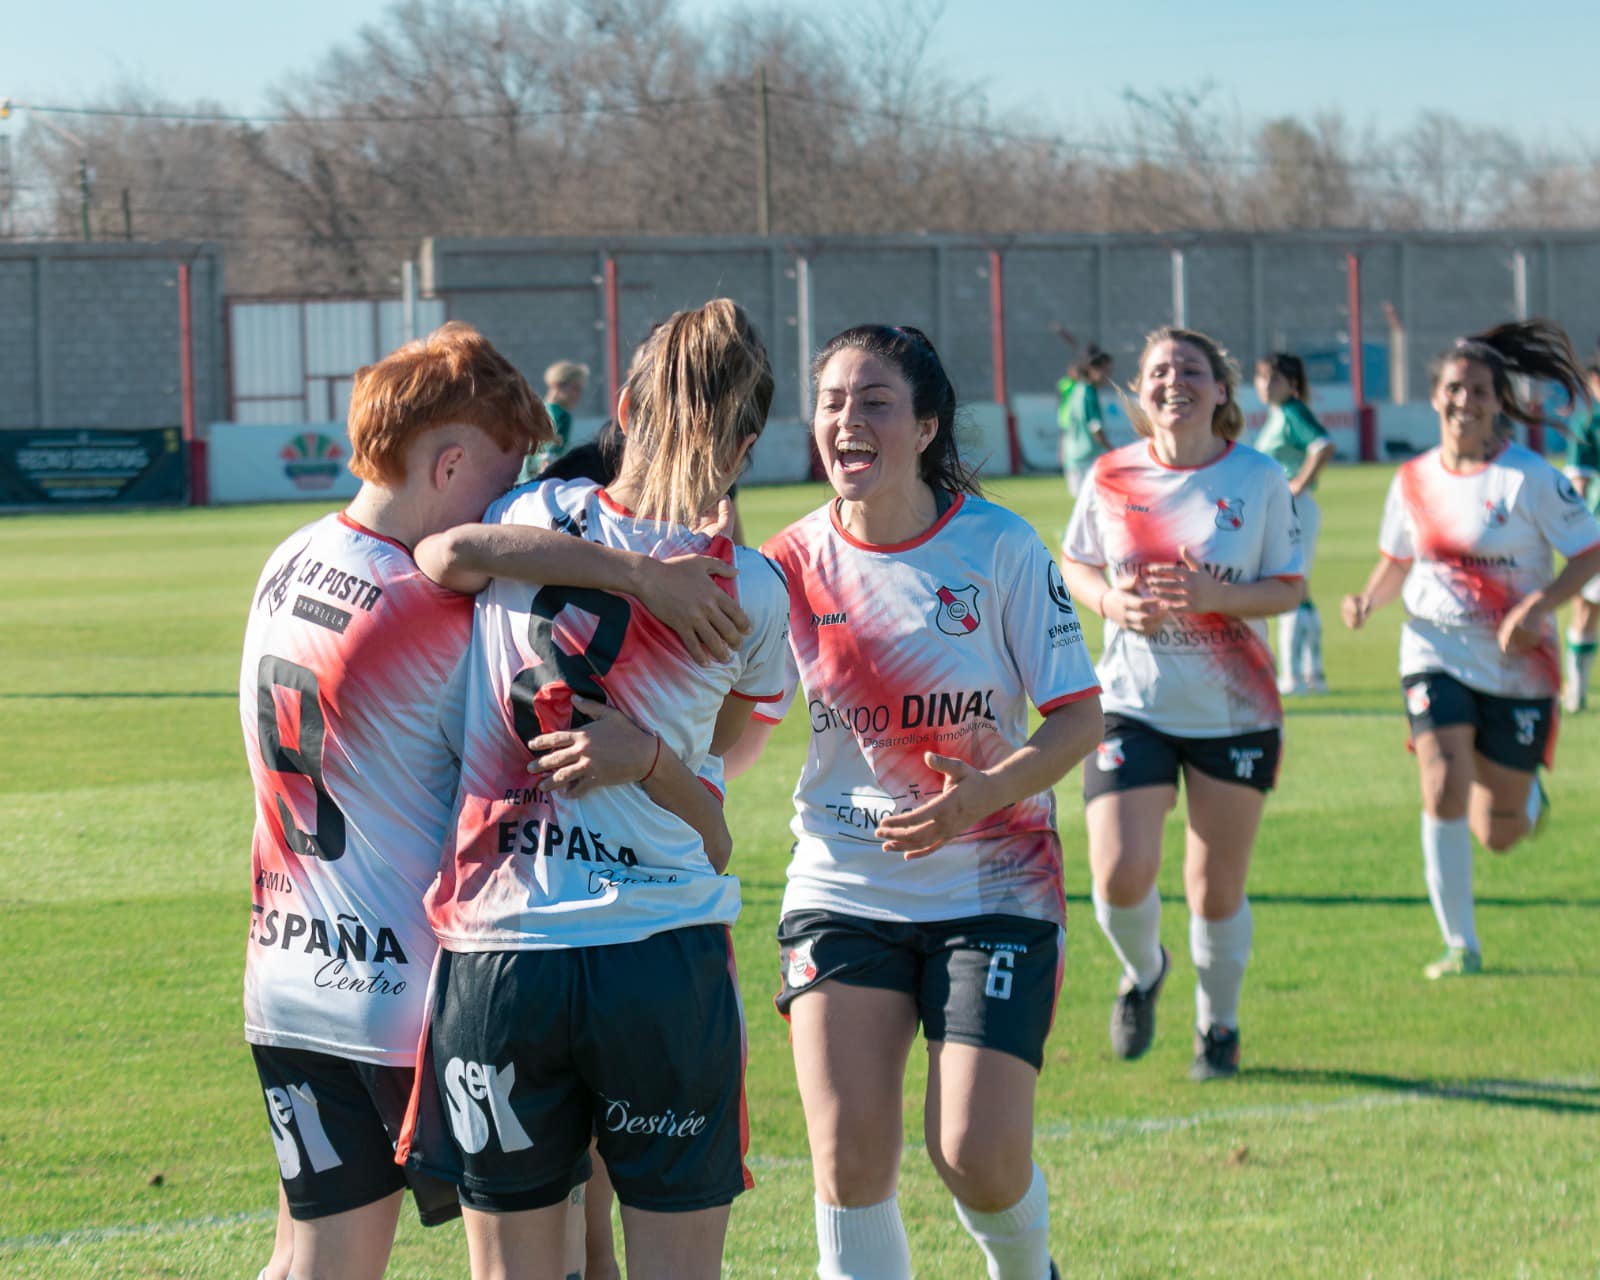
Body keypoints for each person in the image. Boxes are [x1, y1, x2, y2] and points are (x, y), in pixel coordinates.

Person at [242, 322, 747, 1280]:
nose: (525, 512)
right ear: (449, 464)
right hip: (411, 990)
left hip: (287, 977)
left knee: (306, 1259)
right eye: (506, 482)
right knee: (550, 1255)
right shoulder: (444, 608)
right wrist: (642, 572)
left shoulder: (290, 557)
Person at [397, 298, 791, 1280]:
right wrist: (655, 748)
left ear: (622, 403)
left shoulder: (524, 519)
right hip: (657, 958)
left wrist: (630, 589)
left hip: (501, 960)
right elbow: (718, 800)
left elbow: (440, 553)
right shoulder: (748, 588)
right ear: (745, 446)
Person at [726, 324, 1103, 1280]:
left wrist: (985, 796)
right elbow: (748, 724)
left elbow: (1076, 719)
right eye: (832, 403)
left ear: (927, 426)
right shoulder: (790, 563)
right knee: (849, 1162)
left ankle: (1029, 1270)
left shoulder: (1000, 546)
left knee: (974, 1151)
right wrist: (680, 787)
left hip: (996, 889)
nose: (846, 421)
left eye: (875, 402)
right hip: (843, 886)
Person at [1059, 326, 1305, 1083]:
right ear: (1141, 389)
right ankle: (1143, 971)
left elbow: (1288, 587)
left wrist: (1215, 597)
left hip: (1236, 713)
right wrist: (1108, 601)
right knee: (1120, 874)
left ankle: (1218, 1028)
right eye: (1159, 370)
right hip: (1133, 702)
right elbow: (1075, 561)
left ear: (1221, 391)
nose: (1175, 382)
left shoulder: (1259, 479)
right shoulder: (1109, 474)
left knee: (1214, 887)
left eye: (1192, 370)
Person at [1341, 321, 1600, 979]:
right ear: (1436, 398)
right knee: (1441, 782)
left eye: (1479, 390)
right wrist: (1369, 598)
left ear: (1499, 399)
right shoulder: (1412, 480)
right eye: (1454, 388)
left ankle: (1526, 798)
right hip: (1433, 651)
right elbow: (1398, 560)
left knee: (1500, 833)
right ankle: (1461, 944)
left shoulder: (1530, 478)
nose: (1465, 401)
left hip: (1518, 667)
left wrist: (1539, 606)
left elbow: (1591, 550)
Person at [1253, 353, 1335, 695]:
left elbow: (1323, 445)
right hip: (1287, 506)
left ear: (1291, 384)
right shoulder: (1278, 415)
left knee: (1290, 585)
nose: (1264, 385)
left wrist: (1299, 482)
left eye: (1273, 379)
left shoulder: (1292, 412)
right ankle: (1312, 673)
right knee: (1300, 588)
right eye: (1260, 378)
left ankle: (1293, 677)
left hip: (1294, 506)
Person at [1560, 361, 1600, 711]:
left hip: (1594, 536)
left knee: (1585, 609)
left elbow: (1578, 485)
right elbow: (1578, 483)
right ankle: (1577, 691)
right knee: (1585, 608)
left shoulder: (1587, 423)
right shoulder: (1589, 423)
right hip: (1596, 533)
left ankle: (1576, 692)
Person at [518, 359, 590, 482]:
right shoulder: (562, 416)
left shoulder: (536, 411)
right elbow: (551, 457)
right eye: (575, 388)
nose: (579, 395)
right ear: (558, 386)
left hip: (522, 480)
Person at [1059, 344, 1115, 498]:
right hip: (1086, 457)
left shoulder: (1077, 389)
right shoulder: (1089, 392)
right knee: (1091, 504)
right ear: (1093, 369)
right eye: (1106, 371)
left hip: (1073, 456)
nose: (1108, 376)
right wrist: (1112, 451)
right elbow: (1095, 427)